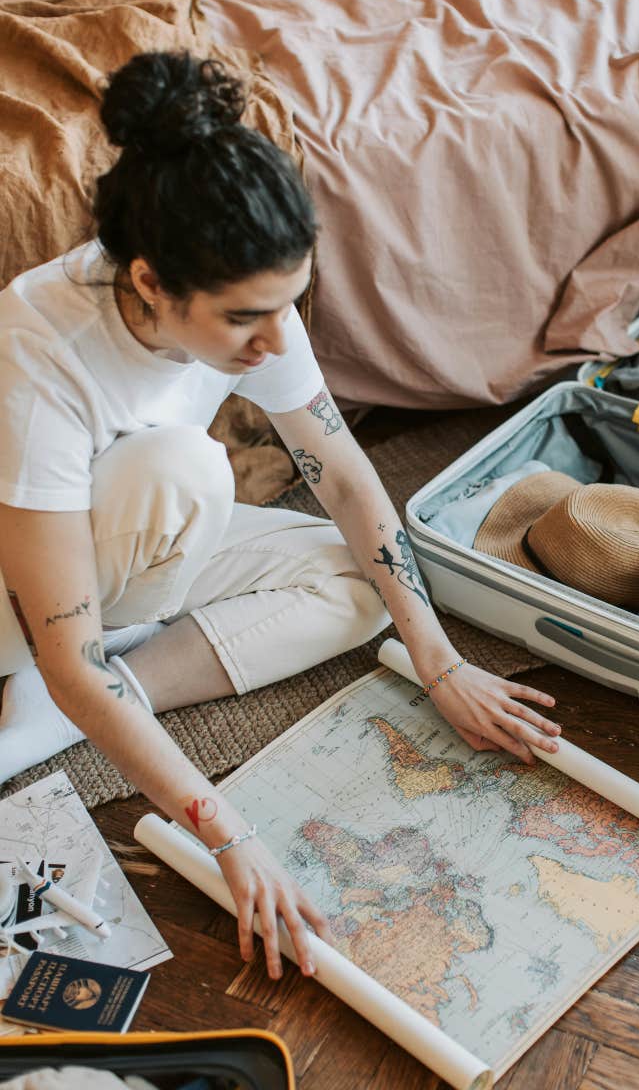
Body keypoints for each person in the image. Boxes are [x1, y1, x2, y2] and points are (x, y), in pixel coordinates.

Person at [0, 51, 561, 981]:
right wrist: (229, 836)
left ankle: (54, 719)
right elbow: (63, 637)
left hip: (129, 562)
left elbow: (339, 475)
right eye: (245, 322)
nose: (275, 342)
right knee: (184, 469)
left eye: (289, 305)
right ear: (147, 282)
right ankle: (65, 698)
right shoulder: (40, 352)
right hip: (20, 596)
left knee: (360, 583)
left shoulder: (252, 289)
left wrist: (442, 659)